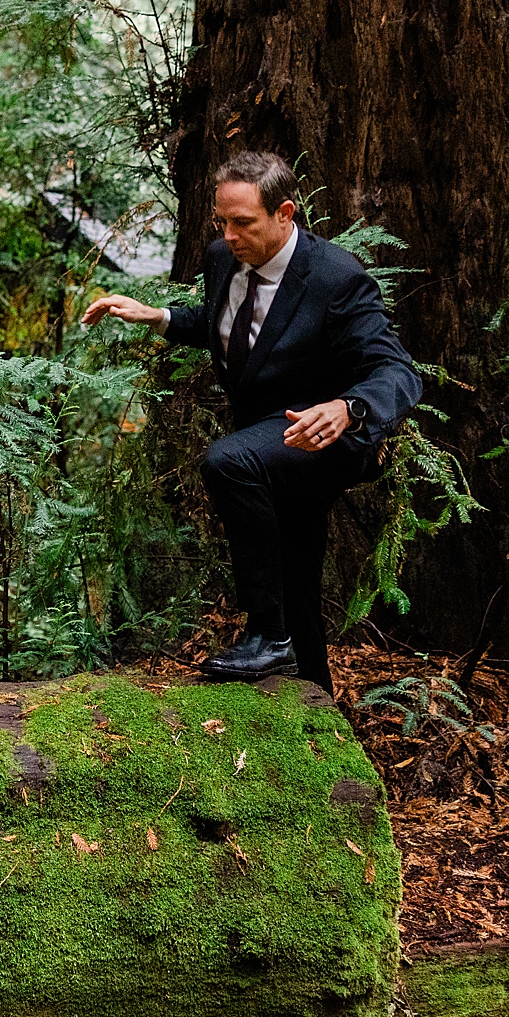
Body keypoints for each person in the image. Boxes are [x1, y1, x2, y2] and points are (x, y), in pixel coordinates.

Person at [81, 150, 422, 691]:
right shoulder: (223, 259)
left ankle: (267, 635)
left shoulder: (336, 277)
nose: (230, 234)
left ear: (285, 213)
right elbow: (227, 325)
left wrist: (348, 408)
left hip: (322, 437)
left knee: (226, 461)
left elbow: (395, 370)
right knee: (297, 574)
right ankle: (312, 697)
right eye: (222, 221)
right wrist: (159, 317)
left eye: (243, 222)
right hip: (265, 437)